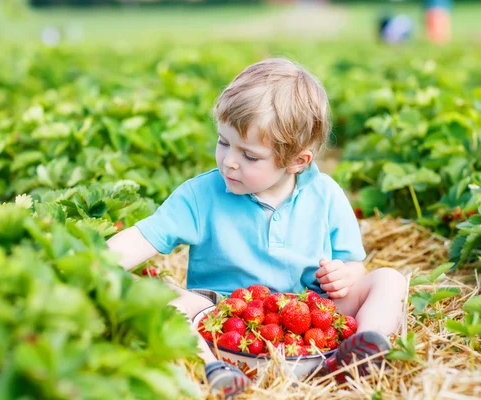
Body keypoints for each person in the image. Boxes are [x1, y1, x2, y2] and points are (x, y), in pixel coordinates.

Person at [106, 58, 407, 398]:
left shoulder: (326, 196)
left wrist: (345, 276)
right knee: (164, 297)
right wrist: (96, 265)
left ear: (297, 161)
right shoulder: (201, 194)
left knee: (389, 280)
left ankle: (356, 354)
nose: (229, 161)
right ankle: (212, 368)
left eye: (249, 156)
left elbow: (354, 265)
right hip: (220, 316)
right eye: (223, 142)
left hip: (308, 314)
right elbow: (144, 236)